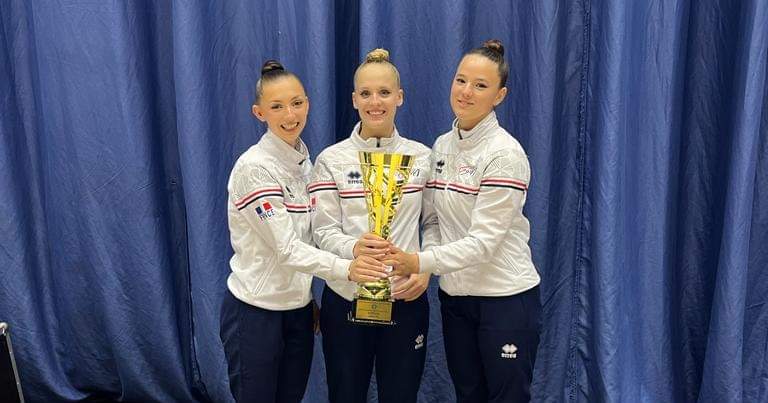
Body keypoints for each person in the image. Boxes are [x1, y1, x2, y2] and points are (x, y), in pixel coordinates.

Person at [219, 60, 387, 403]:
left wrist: (305, 297)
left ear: (308, 103)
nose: (289, 114)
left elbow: (312, 236)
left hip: (296, 312)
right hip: (255, 313)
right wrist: (346, 269)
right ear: (259, 112)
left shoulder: (306, 165)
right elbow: (287, 249)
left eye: (296, 103)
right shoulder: (254, 168)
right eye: (276, 106)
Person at [387, 40, 542, 402]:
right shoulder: (442, 146)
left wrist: (419, 261)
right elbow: (438, 223)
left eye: (481, 85)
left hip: (505, 298)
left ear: (499, 95)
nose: (466, 92)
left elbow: (484, 242)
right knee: (468, 394)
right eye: (461, 81)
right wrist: (425, 267)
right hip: (456, 298)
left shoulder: (505, 154)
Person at [308, 48, 432, 403]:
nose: (374, 102)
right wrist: (354, 251)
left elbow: (436, 223)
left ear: (400, 97)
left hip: (405, 296)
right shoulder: (330, 160)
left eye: (384, 93)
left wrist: (425, 267)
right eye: (365, 93)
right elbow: (322, 231)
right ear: (353, 99)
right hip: (347, 298)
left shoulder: (422, 157)